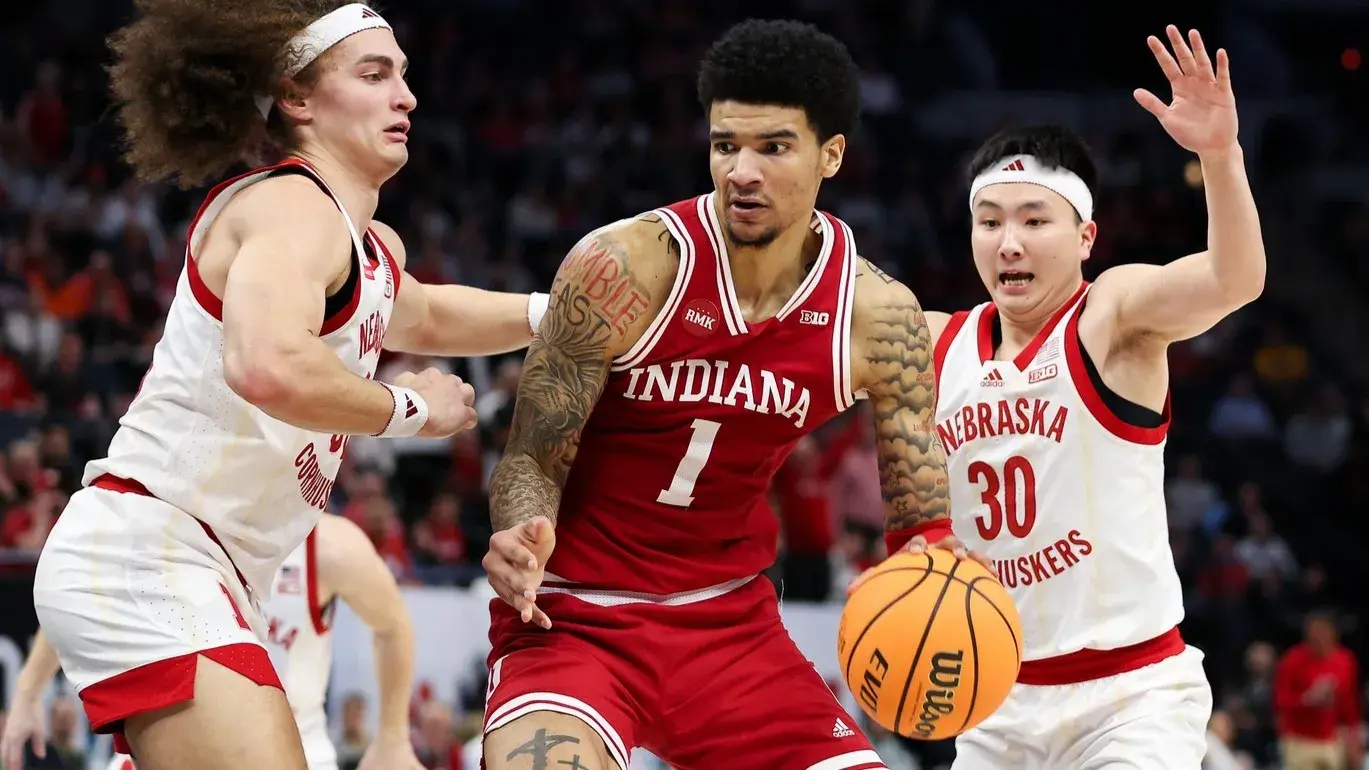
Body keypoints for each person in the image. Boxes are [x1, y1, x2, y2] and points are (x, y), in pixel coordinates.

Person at [31, 3, 547, 769]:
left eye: (404, 75)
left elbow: (430, 314)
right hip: (153, 550)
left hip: (213, 567)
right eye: (374, 74)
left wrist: (563, 312)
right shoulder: (288, 205)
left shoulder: (363, 244)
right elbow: (266, 365)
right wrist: (412, 412)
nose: (405, 95)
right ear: (297, 99)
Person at [477, 19, 951, 770]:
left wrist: (941, 595)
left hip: (733, 633)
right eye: (725, 145)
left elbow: (919, 519)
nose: (741, 171)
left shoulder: (877, 317)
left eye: (773, 147)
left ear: (831, 154)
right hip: (572, 621)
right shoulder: (622, 267)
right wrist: (520, 530)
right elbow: (531, 457)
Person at [872, 26, 1264, 768]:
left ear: (1084, 237)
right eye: (988, 223)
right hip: (998, 704)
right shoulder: (929, 342)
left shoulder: (1108, 318)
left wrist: (1218, 155)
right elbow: (800, 334)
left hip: (1130, 697)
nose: (1008, 242)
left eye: (1032, 220)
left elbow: (1232, 279)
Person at [6, 514, 423, 770]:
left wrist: (392, 737)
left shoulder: (329, 545)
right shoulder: (168, 518)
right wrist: (27, 691)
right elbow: (90, 590)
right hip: (170, 734)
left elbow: (393, 625)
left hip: (294, 745)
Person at [1273, 611, 1363, 770]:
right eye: (1314, 632)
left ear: (1334, 633)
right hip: (1299, 740)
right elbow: (1280, 701)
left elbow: (1350, 704)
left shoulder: (1345, 661)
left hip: (1332, 740)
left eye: (1323, 631)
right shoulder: (1292, 660)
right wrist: (1307, 700)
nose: (1318, 637)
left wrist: (1353, 738)